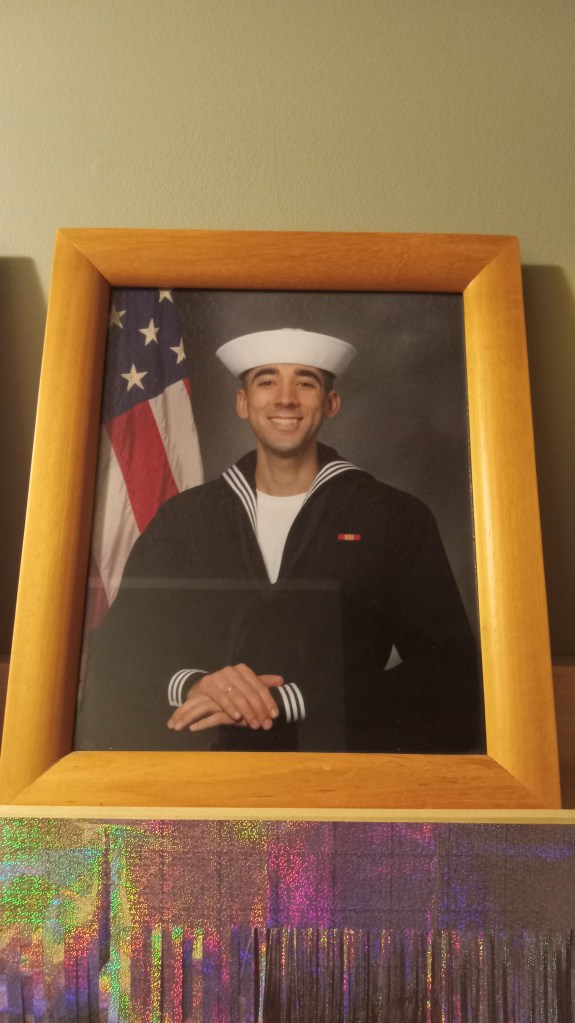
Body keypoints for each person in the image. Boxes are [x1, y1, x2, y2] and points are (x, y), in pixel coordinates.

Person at [74, 328, 482, 753]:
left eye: (305, 383)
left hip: (339, 768)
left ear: (331, 404)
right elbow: (119, 654)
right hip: (200, 769)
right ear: (242, 402)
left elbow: (449, 676)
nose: (285, 399)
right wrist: (194, 685)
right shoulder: (183, 520)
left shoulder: (393, 518)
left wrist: (294, 701)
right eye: (267, 381)